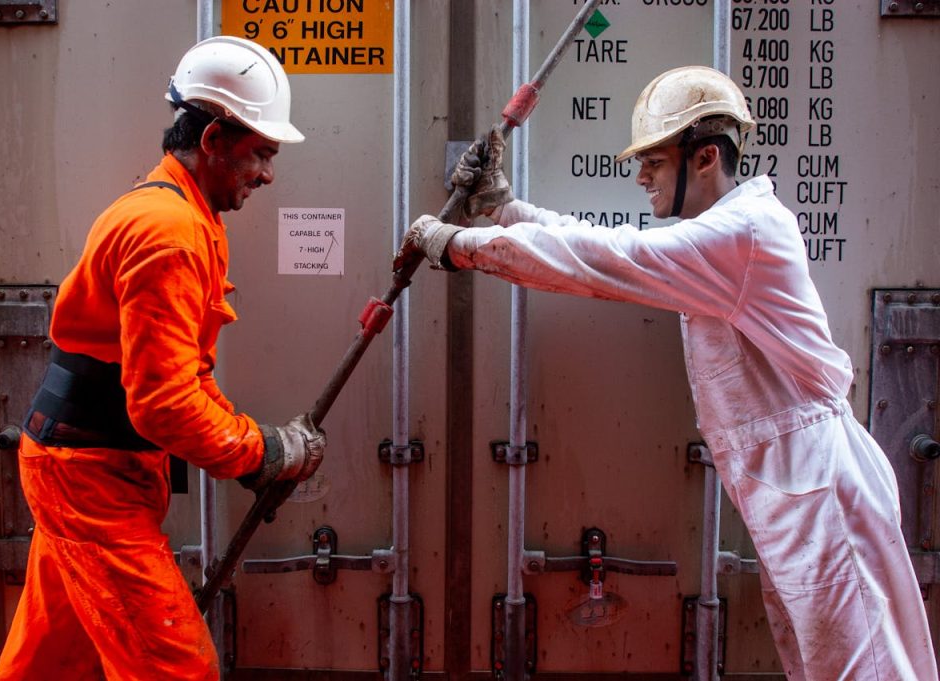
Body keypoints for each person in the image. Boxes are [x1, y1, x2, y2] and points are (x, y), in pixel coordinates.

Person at [395, 66, 938, 679]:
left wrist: (459, 245)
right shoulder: (720, 234)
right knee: (820, 666)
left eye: (653, 159)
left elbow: (613, 261)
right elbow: (606, 244)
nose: (639, 174)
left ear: (705, 157)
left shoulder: (744, 233)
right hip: (795, 486)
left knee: (864, 669)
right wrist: (502, 209)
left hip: (819, 490)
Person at [0, 36, 326, 680]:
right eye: (260, 154)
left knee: (51, 662)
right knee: (176, 668)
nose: (267, 175)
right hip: (92, 482)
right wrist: (262, 451)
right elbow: (164, 404)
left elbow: (185, 371)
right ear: (213, 141)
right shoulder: (169, 231)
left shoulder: (184, 216)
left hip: (85, 468)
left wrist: (249, 442)